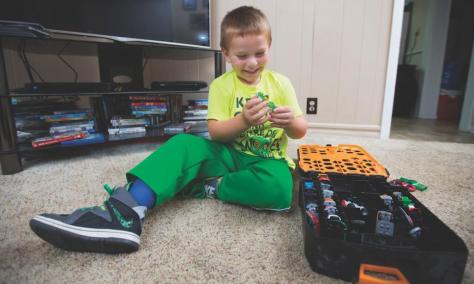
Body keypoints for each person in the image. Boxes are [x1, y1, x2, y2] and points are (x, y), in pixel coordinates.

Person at [29, 6, 308, 254]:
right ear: (226, 55)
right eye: (242, 55)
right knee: (184, 144)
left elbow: (300, 131)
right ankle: (125, 211)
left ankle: (211, 187)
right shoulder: (222, 85)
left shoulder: (280, 83)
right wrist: (243, 121)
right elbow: (216, 134)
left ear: (269, 46)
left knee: (281, 191)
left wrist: (290, 122)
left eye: (260, 53)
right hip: (226, 154)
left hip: (265, 161)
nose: (251, 62)